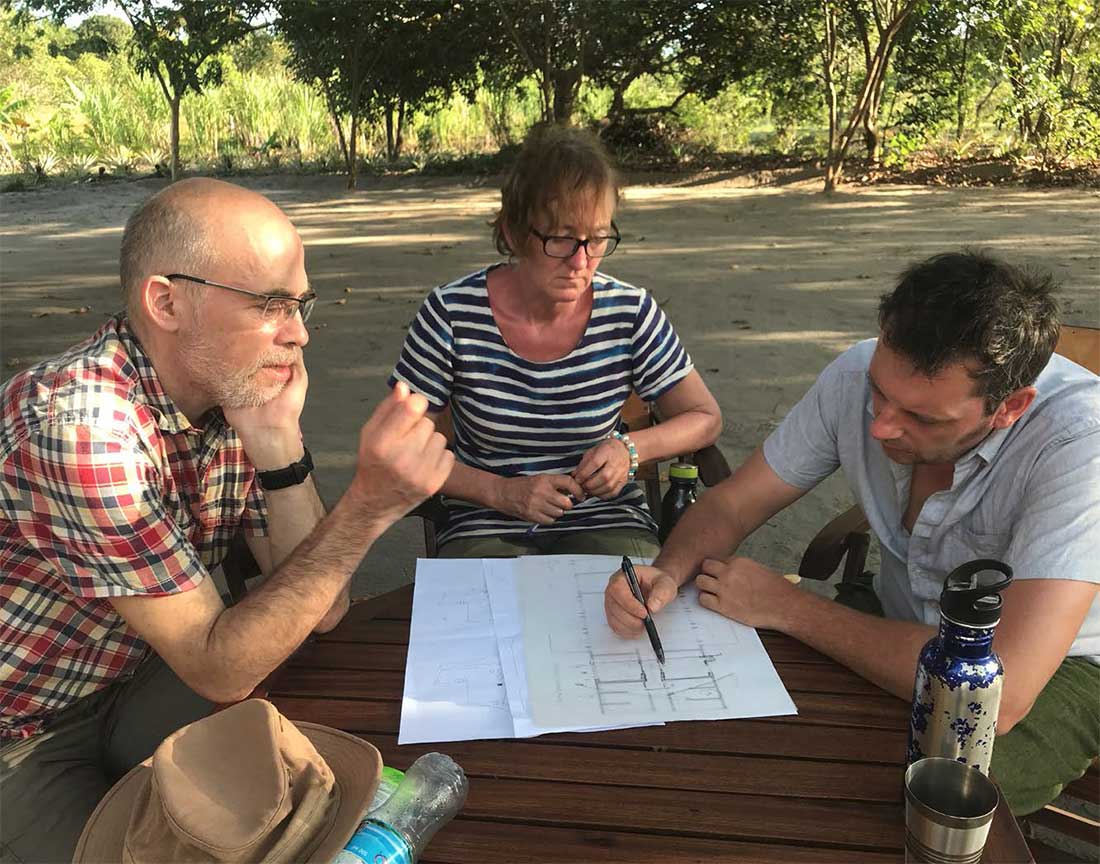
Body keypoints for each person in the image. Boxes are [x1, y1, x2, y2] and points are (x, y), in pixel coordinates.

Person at [0, 178, 453, 862]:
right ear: (167, 301)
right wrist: (366, 509)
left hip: (133, 676)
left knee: (319, 788)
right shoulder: (82, 430)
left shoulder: (225, 395)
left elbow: (322, 608)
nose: (298, 334)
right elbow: (219, 669)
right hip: (23, 725)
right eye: (271, 305)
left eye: (300, 305)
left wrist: (277, 441)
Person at [604, 250, 1099, 815]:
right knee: (761, 746)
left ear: (1009, 407)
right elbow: (733, 504)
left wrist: (792, 608)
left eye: (923, 418)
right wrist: (666, 574)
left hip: (1059, 669)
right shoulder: (857, 375)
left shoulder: (1081, 445)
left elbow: (999, 690)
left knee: (914, 796)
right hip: (900, 618)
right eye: (880, 392)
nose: (881, 424)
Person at [390, 125, 721, 558]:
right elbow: (398, 447)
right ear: (512, 233)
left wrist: (630, 449)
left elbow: (705, 417)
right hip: (485, 521)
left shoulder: (628, 312)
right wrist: (502, 493)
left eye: (598, 238)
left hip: (608, 517)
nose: (581, 262)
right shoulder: (452, 314)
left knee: (635, 616)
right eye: (561, 238)